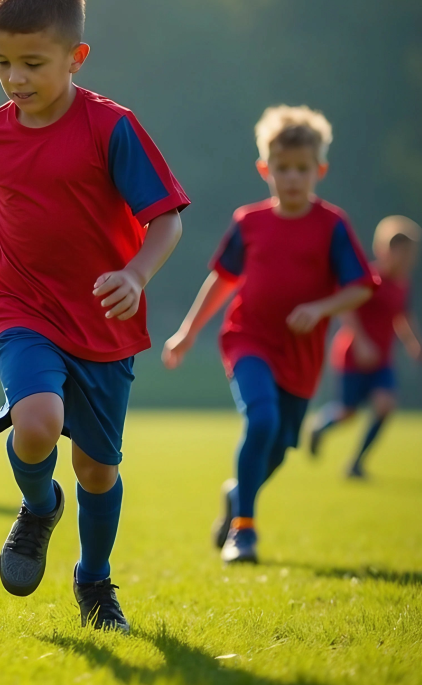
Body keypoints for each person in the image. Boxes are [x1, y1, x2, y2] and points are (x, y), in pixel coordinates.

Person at [0, 0, 189, 632]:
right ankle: (39, 506)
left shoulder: (112, 129)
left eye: (33, 63)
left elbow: (167, 220)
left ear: (75, 57)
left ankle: (94, 581)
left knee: (98, 471)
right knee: (36, 422)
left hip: (104, 321)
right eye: (2, 63)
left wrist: (135, 275)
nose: (16, 79)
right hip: (21, 305)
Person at [162, 105, 375, 563]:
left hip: (300, 357)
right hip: (248, 341)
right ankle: (245, 530)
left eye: (302, 169)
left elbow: (360, 287)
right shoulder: (249, 222)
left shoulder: (333, 225)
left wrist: (321, 308)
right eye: (283, 168)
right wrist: (187, 331)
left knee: (276, 450)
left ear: (319, 170)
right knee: (261, 422)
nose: (292, 178)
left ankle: (237, 496)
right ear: (265, 169)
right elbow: (222, 280)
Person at [309, 215, 421, 477]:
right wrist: (361, 343)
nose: (408, 260)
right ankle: (319, 426)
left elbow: (402, 317)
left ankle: (356, 463)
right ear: (386, 250)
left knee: (386, 405)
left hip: (382, 360)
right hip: (353, 355)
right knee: (348, 413)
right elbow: (347, 310)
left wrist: (413, 344)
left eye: (412, 254)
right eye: (403, 253)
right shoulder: (369, 278)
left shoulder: (403, 285)